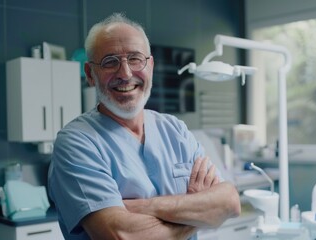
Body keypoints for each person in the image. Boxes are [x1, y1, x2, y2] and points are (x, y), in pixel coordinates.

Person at [48, 12, 241, 240]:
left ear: (150, 66)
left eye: (135, 59)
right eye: (110, 62)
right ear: (91, 74)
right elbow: (120, 235)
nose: (126, 73)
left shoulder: (174, 130)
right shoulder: (76, 142)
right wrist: (198, 214)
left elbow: (229, 201)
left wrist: (145, 206)